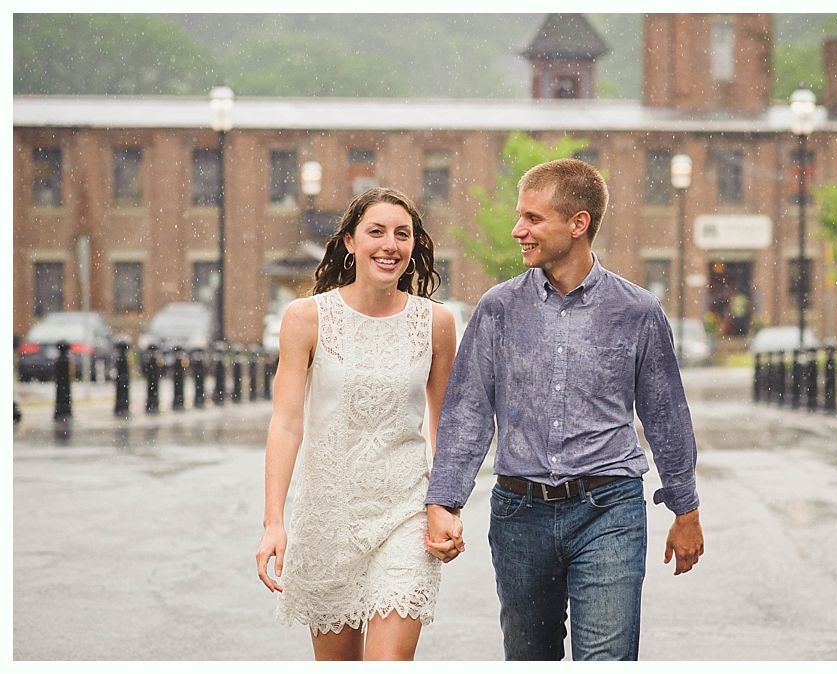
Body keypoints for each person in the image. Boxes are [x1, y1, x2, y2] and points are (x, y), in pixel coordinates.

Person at [424, 159, 704, 661]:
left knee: (607, 662)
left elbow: (665, 416)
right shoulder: (498, 309)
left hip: (609, 509)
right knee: (531, 660)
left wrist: (686, 509)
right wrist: (444, 501)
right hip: (519, 513)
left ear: (578, 224)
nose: (518, 231)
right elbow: (467, 412)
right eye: (518, 217)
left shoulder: (636, 311)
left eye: (533, 219)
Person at [256, 187, 456, 661]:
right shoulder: (306, 318)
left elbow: (444, 425)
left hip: (405, 514)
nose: (391, 244)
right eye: (377, 232)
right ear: (349, 241)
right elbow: (286, 425)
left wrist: (446, 505)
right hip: (329, 516)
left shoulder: (436, 323)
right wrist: (273, 522)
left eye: (402, 234)